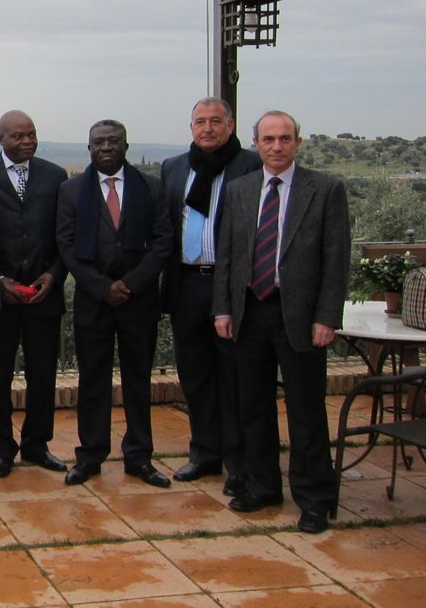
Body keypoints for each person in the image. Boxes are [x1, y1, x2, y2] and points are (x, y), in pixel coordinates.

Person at [213, 110, 349, 535]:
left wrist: (327, 317)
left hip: (301, 317)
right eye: (268, 139)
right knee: (253, 406)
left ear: (298, 143)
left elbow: (336, 260)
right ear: (256, 143)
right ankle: (263, 486)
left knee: (306, 411)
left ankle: (314, 499)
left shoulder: (324, 190)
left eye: (284, 139)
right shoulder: (239, 190)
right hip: (250, 311)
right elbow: (227, 256)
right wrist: (223, 309)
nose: (276, 146)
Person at [57, 120, 172, 488]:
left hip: (139, 302)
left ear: (126, 145)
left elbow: (163, 243)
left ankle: (139, 457)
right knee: (93, 382)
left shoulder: (151, 188)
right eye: (98, 142)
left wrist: (131, 285)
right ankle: (90, 456)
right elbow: (66, 246)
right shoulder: (71, 190)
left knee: (138, 382)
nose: (106, 147)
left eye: (113, 141)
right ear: (89, 148)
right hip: (94, 303)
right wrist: (102, 287)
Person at [161, 98, 261, 493]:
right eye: (200, 121)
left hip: (231, 286)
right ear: (191, 127)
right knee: (195, 375)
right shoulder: (174, 168)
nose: (207, 128)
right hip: (187, 284)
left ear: (230, 125)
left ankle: (239, 463)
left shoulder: (250, 166)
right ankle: (204, 453)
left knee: (233, 377)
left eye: (215, 121)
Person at [0, 110, 69, 478]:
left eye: (32, 134)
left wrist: (54, 275)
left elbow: (65, 235)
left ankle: (37, 445)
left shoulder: (56, 176)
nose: (27, 141)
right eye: (18, 136)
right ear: (0, 140)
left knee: (43, 375)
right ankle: (2, 449)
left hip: (44, 297)